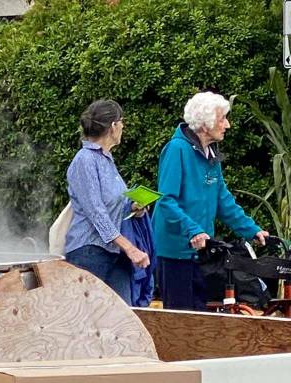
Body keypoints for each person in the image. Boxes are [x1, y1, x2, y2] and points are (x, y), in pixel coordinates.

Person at [153, 91, 268, 311]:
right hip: (176, 252)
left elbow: (223, 200)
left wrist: (252, 230)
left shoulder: (211, 154)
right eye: (222, 118)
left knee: (202, 319)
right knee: (181, 321)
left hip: (202, 252)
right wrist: (193, 230)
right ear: (205, 124)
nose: (228, 124)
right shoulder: (176, 149)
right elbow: (166, 200)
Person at [63, 99, 150, 305]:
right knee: (87, 321)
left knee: (123, 318)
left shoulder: (106, 159)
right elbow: (97, 213)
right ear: (113, 126)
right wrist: (130, 248)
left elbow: (115, 205)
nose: (123, 127)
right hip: (89, 253)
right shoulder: (85, 160)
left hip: (114, 252)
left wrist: (134, 207)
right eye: (121, 122)